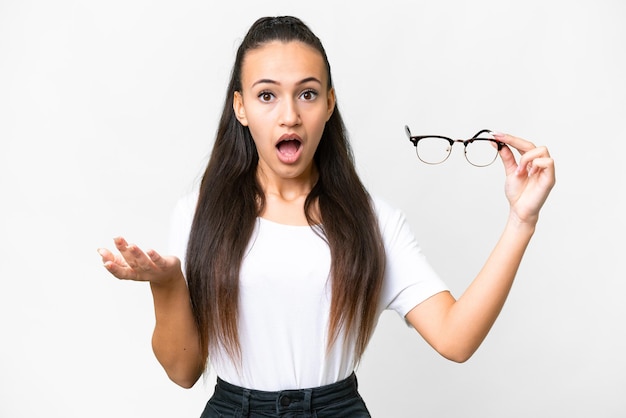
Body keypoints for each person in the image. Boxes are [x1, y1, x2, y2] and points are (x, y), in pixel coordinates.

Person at [97, 15, 555, 418]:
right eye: (267, 96)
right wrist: (168, 284)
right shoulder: (199, 215)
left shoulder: (373, 223)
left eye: (308, 94)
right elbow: (182, 371)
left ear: (329, 104)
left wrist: (521, 222)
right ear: (240, 108)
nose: (290, 115)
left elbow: (456, 339)